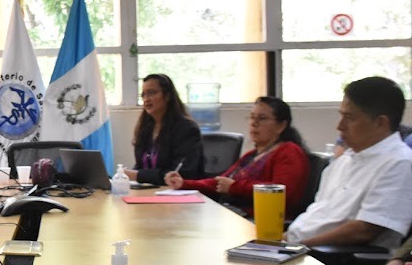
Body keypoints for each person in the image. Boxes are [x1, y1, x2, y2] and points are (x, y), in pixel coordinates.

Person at [285, 76, 412, 248]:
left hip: (330, 257)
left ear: (380, 123)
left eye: (350, 118)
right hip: (296, 246)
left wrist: (296, 247)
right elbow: (317, 214)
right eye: (341, 116)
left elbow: (364, 230)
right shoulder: (344, 159)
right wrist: (278, 243)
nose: (340, 126)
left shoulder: (399, 163)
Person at [164, 97, 309, 216]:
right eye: (252, 117)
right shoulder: (252, 155)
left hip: (261, 220)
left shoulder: (289, 151)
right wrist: (184, 184)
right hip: (234, 213)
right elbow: (220, 183)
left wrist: (234, 187)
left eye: (262, 118)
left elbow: (281, 192)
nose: (254, 123)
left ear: (281, 126)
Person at [125, 74, 204, 185]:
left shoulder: (187, 128)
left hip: (177, 192)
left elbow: (180, 173)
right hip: (149, 190)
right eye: (143, 95)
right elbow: (141, 165)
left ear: (167, 96)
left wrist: (138, 175)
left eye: (151, 93)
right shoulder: (145, 128)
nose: (146, 99)